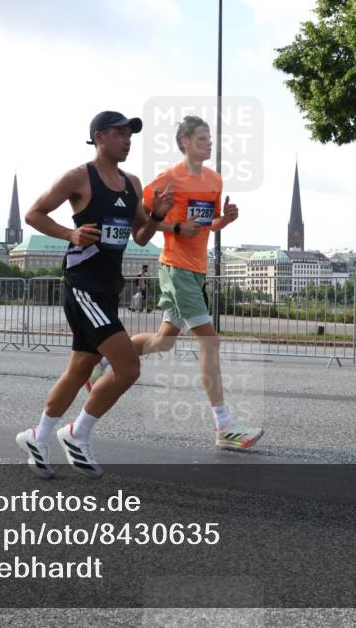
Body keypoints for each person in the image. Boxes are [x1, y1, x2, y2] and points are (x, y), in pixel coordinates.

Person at [87, 115, 263, 450]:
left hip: (197, 269)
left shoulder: (214, 179)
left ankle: (105, 359)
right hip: (176, 267)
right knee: (210, 342)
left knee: (164, 341)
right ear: (185, 143)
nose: (209, 143)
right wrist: (176, 229)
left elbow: (206, 223)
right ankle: (224, 426)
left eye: (210, 138)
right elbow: (142, 218)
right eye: (201, 138)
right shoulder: (169, 178)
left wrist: (224, 220)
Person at [15, 111, 174, 479]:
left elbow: (141, 236)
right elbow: (34, 214)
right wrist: (70, 235)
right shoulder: (78, 177)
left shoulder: (132, 183)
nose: (128, 140)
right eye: (120, 134)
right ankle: (77, 432)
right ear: (100, 137)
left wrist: (155, 215)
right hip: (82, 285)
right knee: (128, 367)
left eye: (130, 134)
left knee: (80, 368)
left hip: (106, 288)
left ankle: (38, 437)